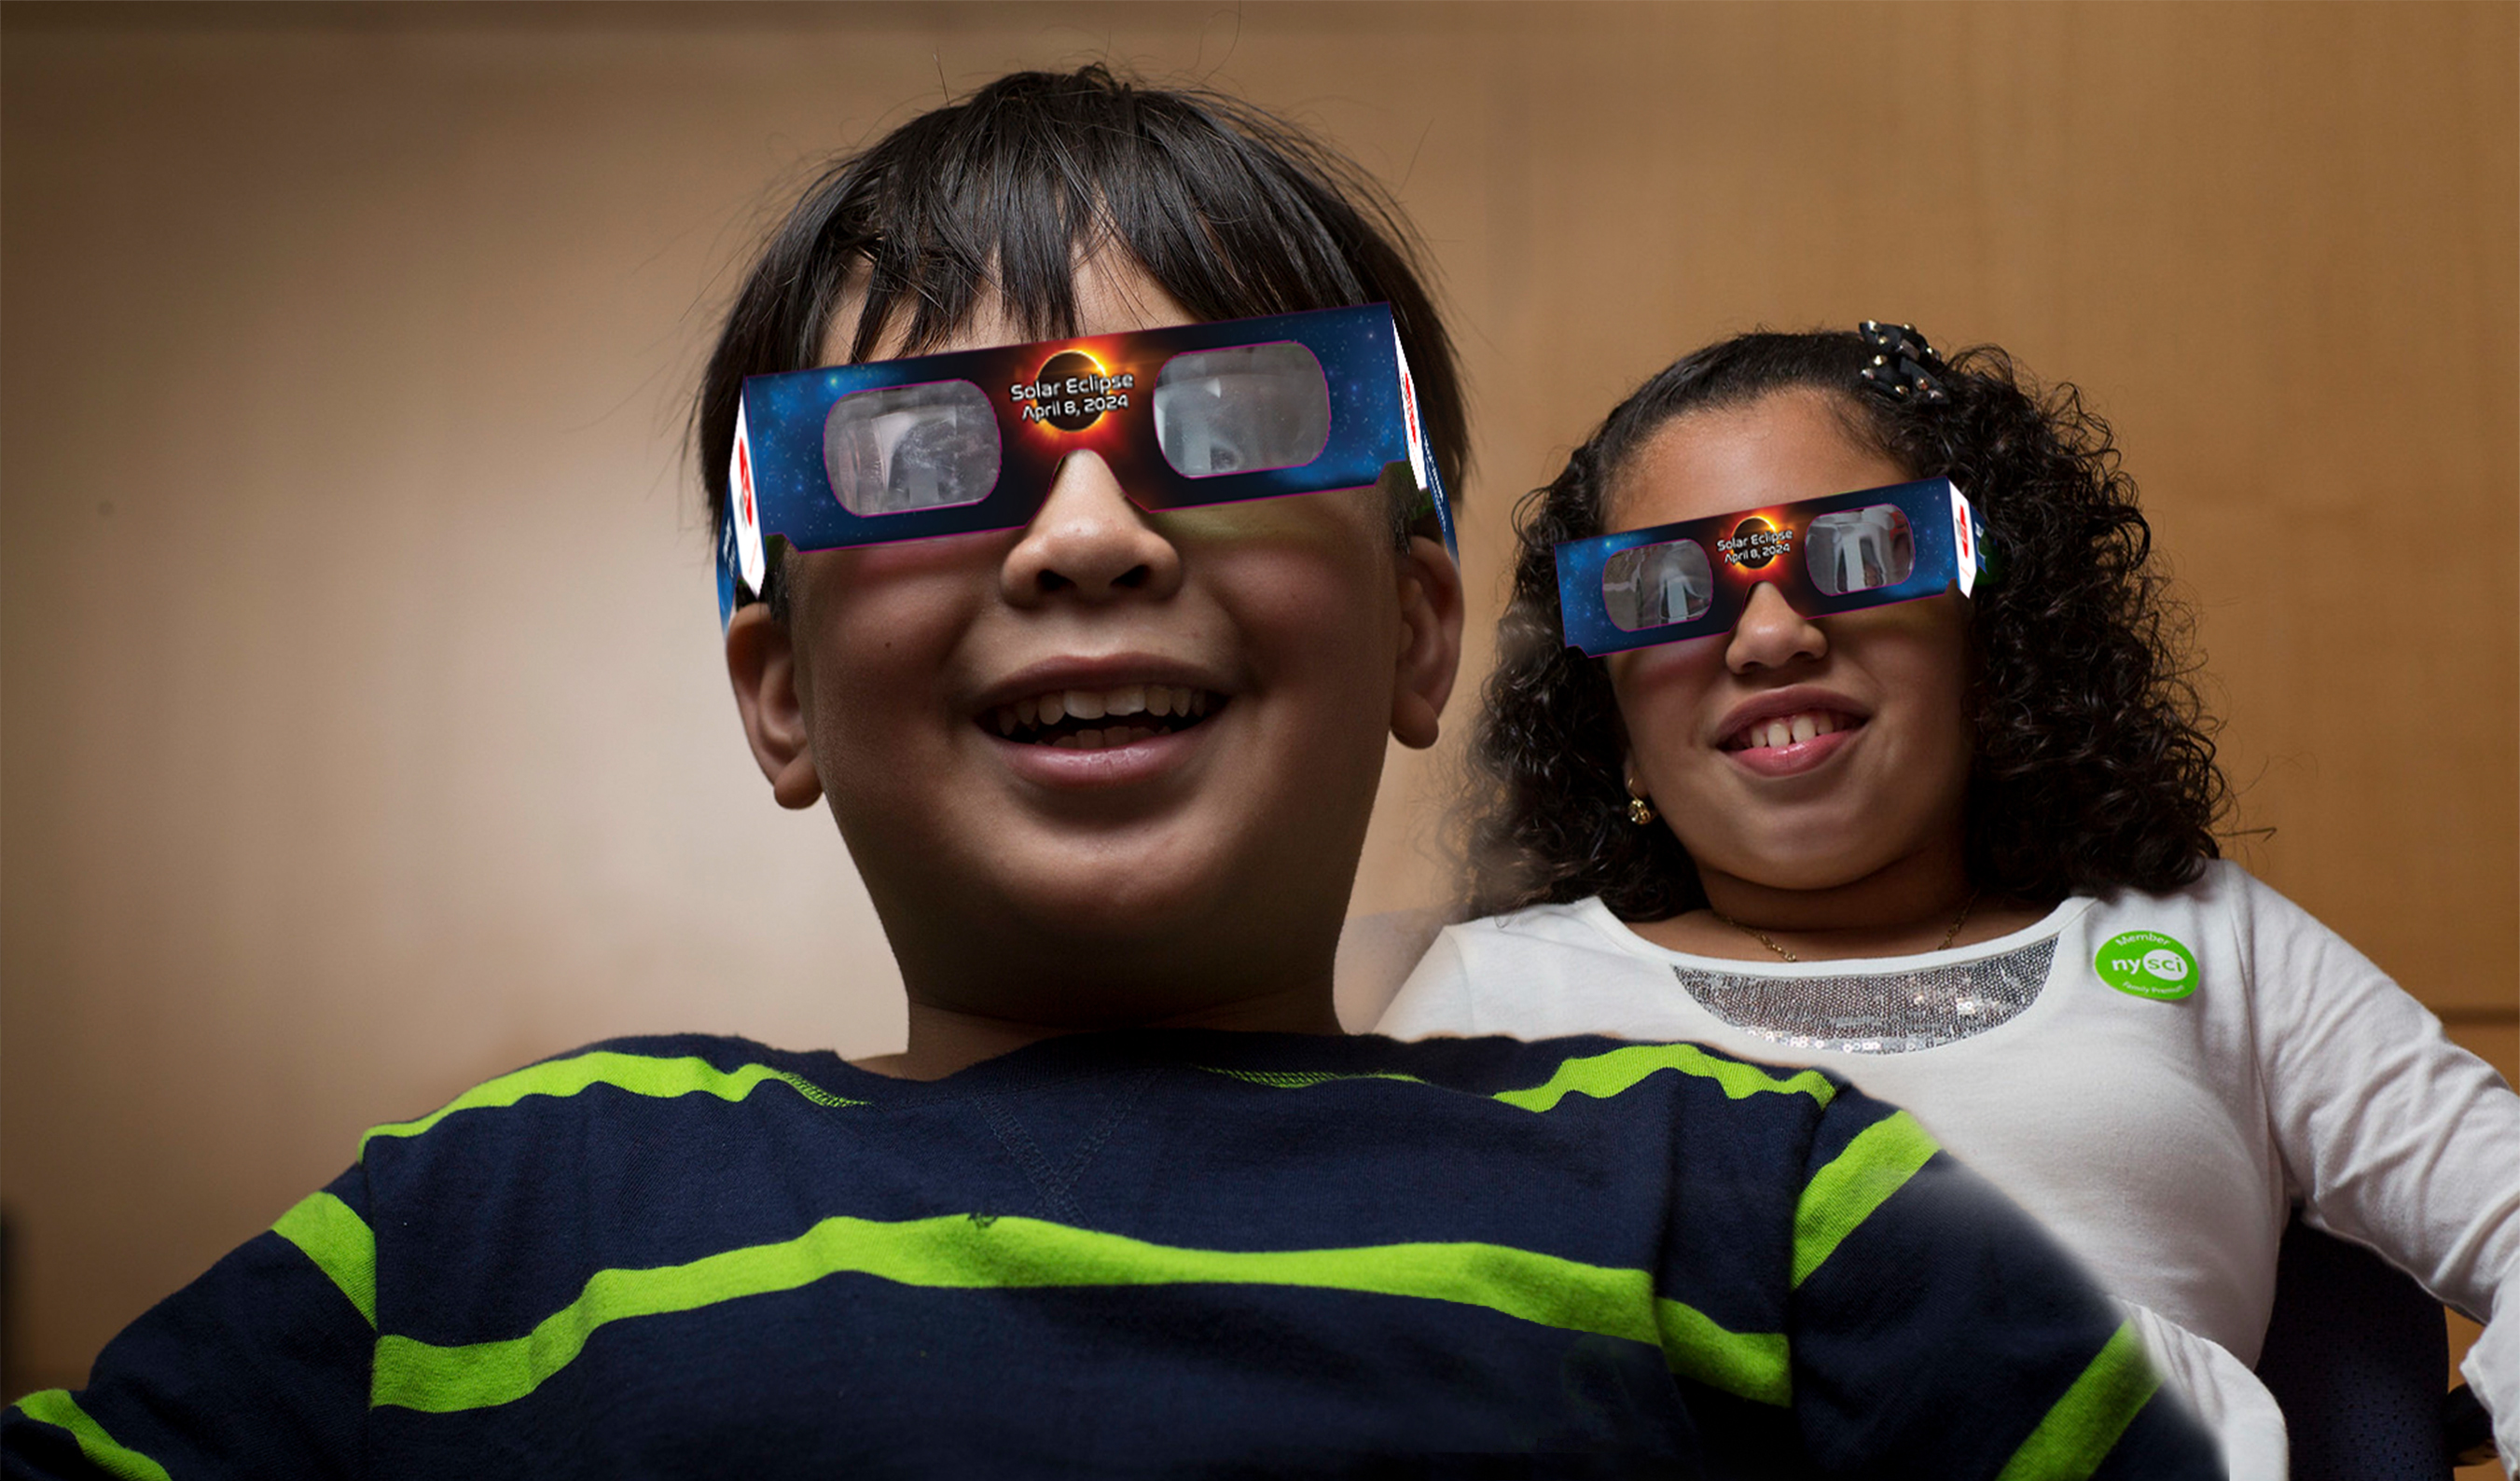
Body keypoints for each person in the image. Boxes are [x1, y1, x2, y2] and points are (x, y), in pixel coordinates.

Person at [3, 76, 2220, 1478]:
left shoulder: (1745, 1193)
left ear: (1423, 632)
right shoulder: (501, 1214)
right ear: (777, 691)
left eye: (1239, 427)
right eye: (923, 459)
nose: (1086, 530)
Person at [1375, 322, 2520, 1474]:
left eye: (1859, 554)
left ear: (1990, 637)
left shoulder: (2204, 940)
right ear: (1610, 721)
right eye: (1668, 587)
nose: (1769, 633)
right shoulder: (1490, 996)